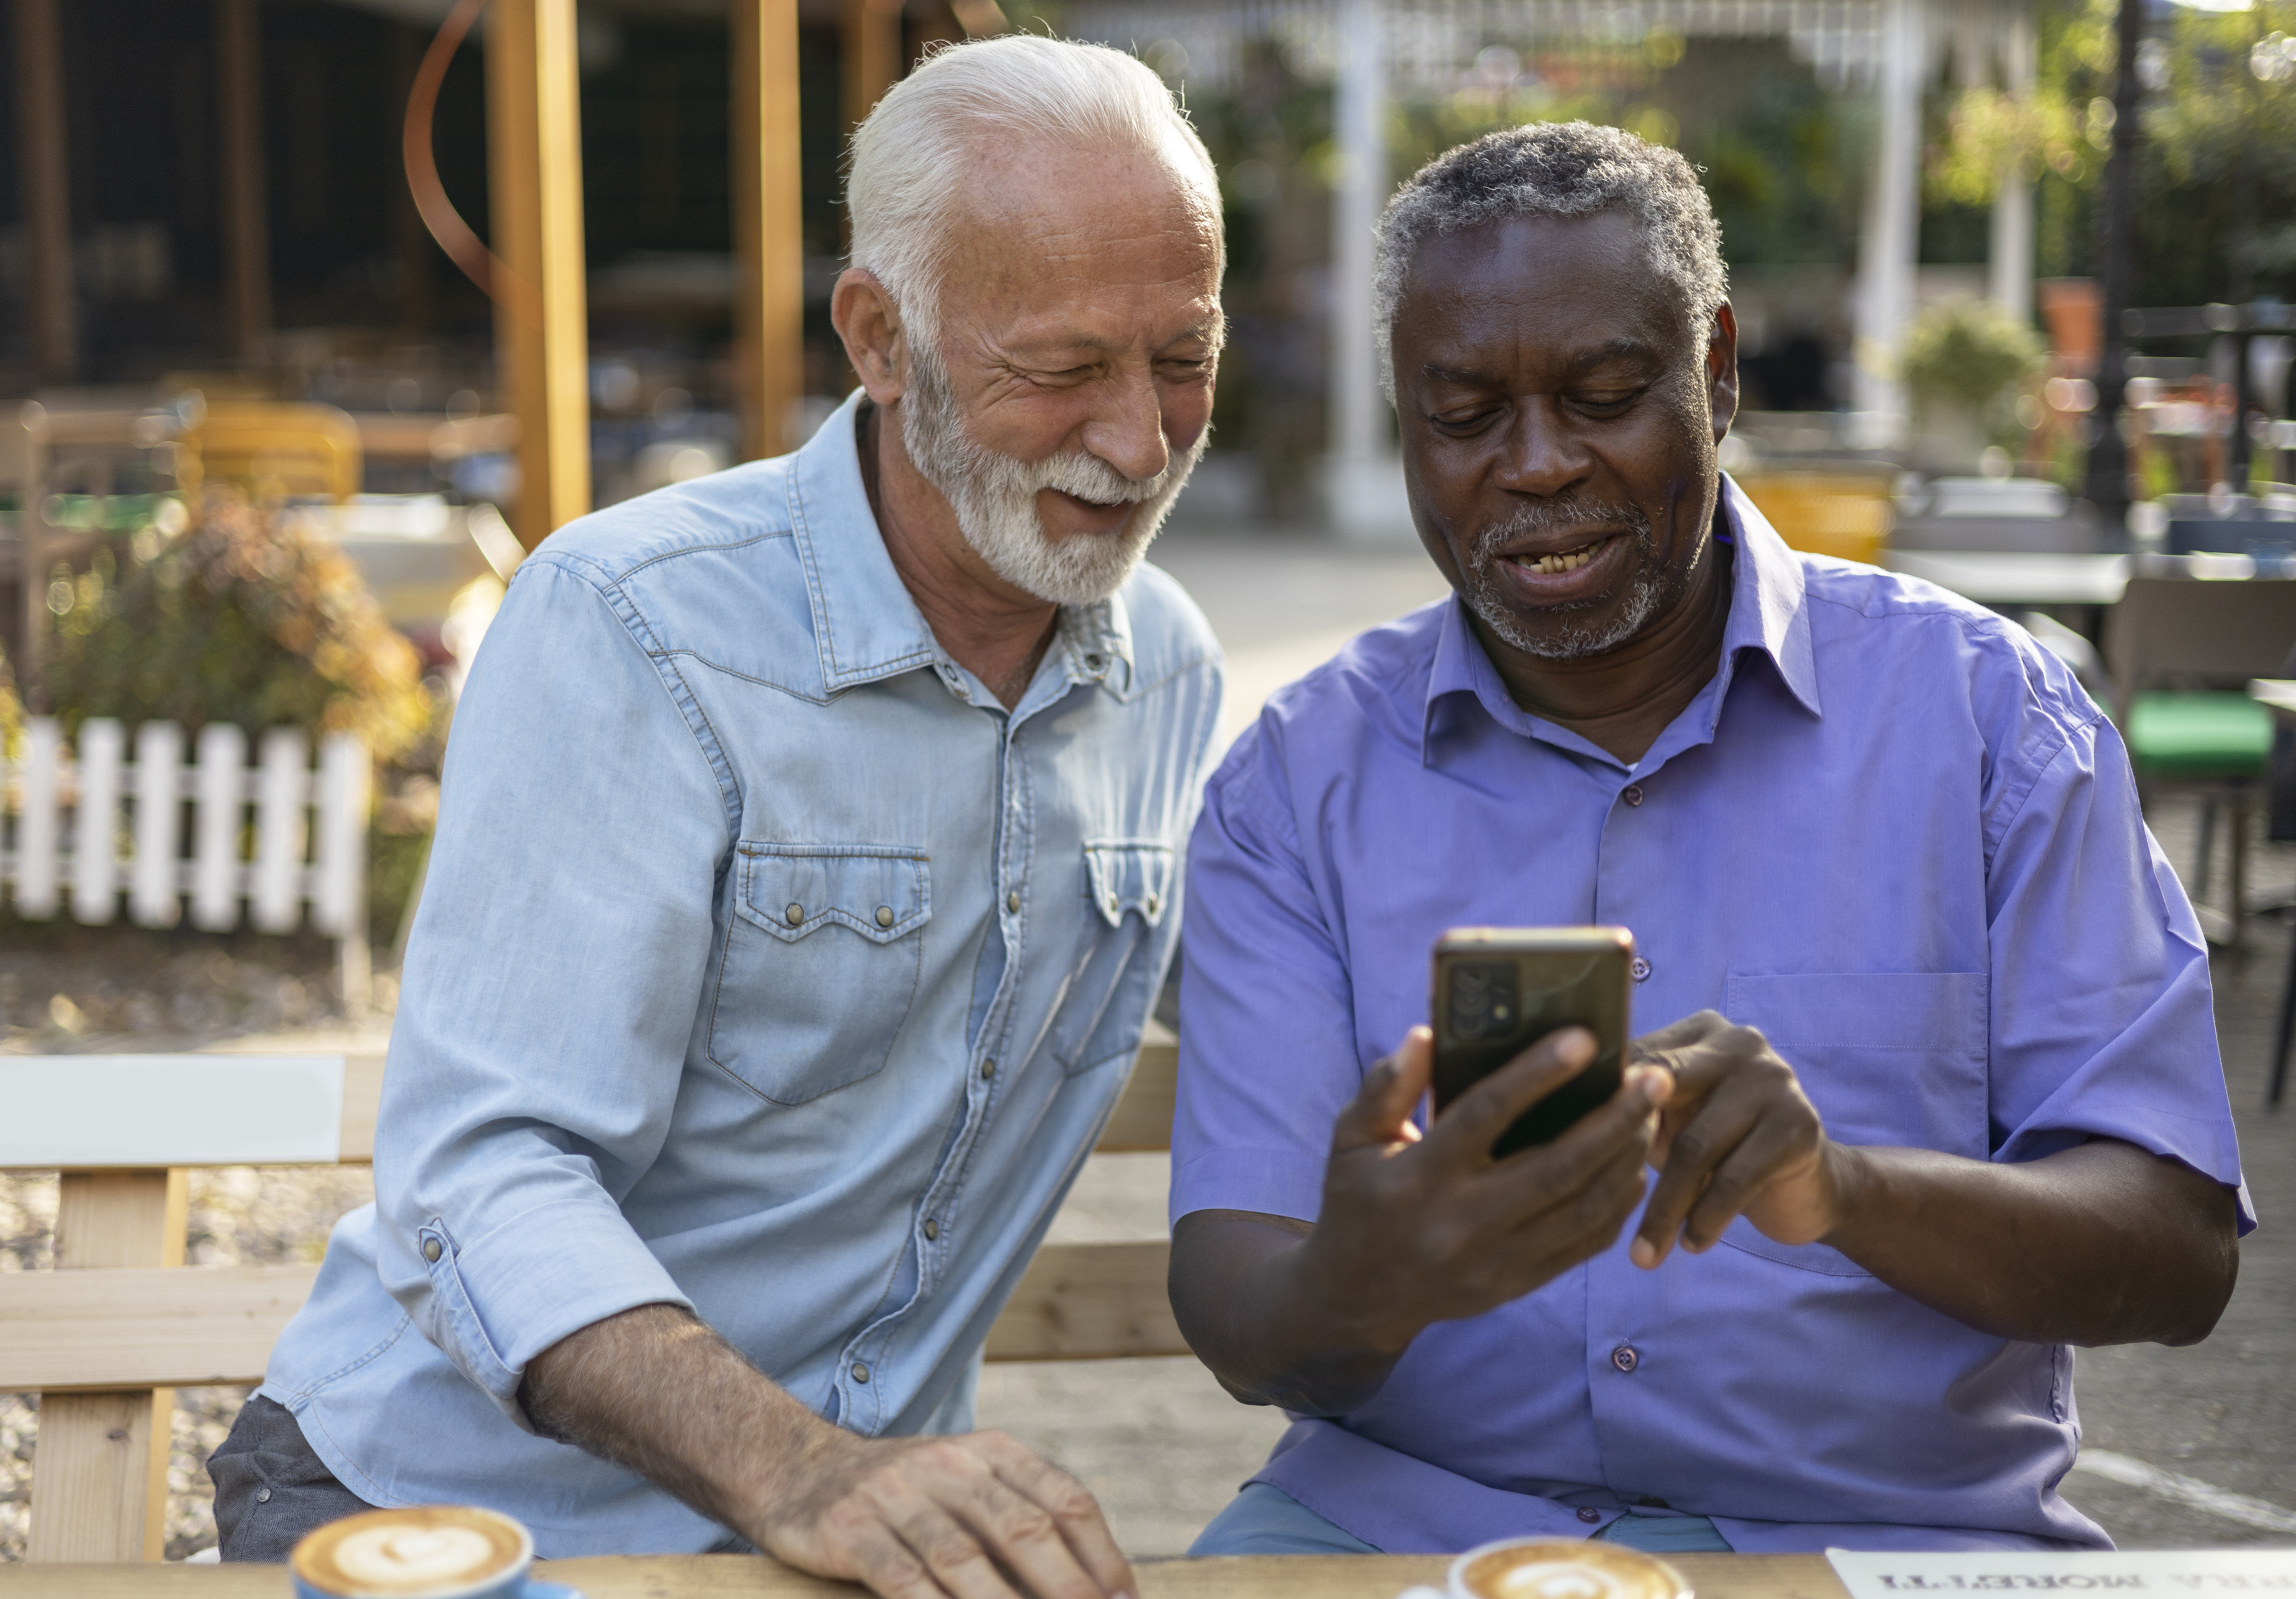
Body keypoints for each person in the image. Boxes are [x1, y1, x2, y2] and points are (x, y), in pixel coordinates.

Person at [214, 38, 1227, 1598]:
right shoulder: (631, 623)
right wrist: (800, 1469)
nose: (1143, 441)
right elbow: (483, 1172)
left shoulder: (1167, 669)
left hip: (845, 1534)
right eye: (1066, 368)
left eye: (1185, 357)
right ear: (881, 341)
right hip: (448, 1508)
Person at [1167, 122, 2248, 1558]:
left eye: (1608, 394)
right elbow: (1245, 1304)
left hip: (1880, 1540)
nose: (1537, 465)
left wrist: (1843, 1190)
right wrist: (1363, 1280)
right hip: (1406, 1530)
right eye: (1465, 415)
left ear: (1719, 372)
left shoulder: (1990, 728)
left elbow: (2174, 1249)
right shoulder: (1296, 785)